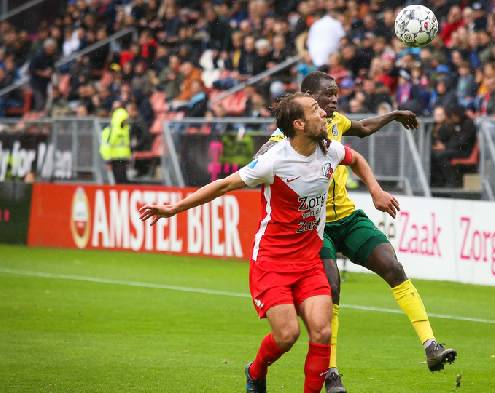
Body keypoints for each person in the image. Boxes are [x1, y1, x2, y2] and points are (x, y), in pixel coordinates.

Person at [139, 92, 398, 393]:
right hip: (272, 263)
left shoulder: (329, 149)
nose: (325, 115)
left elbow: (357, 160)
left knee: (322, 331)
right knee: (287, 335)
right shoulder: (273, 161)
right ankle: (255, 371)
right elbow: (223, 185)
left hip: (309, 262)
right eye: (316, 110)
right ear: (299, 124)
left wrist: (376, 190)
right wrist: (174, 208)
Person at [258, 71, 457, 393]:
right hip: (314, 225)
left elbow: (362, 129)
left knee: (392, 266)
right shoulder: (287, 138)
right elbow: (261, 161)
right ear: (307, 97)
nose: (334, 99)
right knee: (330, 288)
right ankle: (331, 371)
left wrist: (392, 115)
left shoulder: (334, 123)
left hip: (347, 216)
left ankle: (431, 345)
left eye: (337, 93)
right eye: (327, 94)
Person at [100, 107, 131, 184]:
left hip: (124, 159)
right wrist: (108, 161)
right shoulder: (110, 130)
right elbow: (105, 147)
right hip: (115, 159)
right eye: (124, 120)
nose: (126, 122)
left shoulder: (125, 130)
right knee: (118, 180)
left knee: (123, 180)